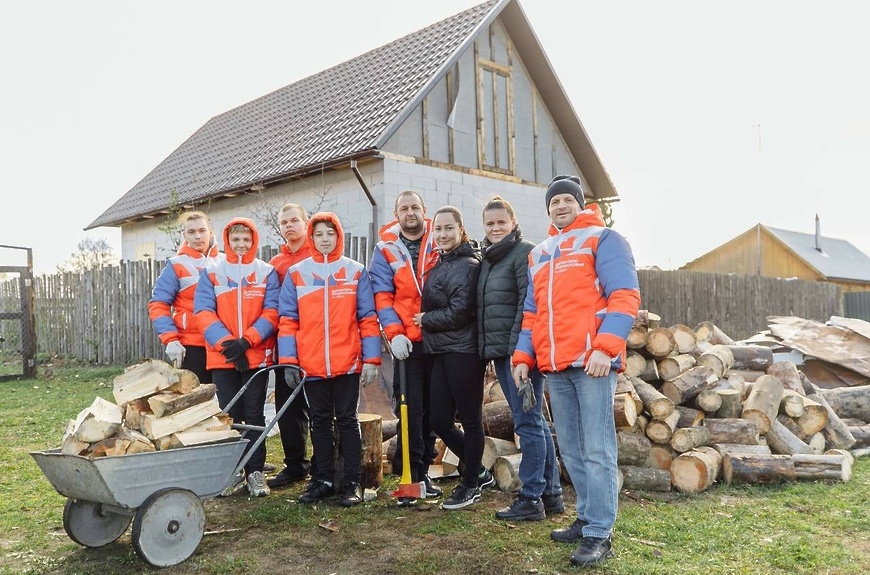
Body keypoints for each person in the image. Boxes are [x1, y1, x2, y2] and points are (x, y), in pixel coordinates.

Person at [512, 175, 640, 567]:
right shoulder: (541, 252)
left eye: (568, 199)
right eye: (554, 202)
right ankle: (586, 517)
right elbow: (533, 313)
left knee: (598, 448)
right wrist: (522, 357)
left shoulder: (603, 239)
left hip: (592, 364)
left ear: (581, 204)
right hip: (554, 365)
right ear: (548, 209)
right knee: (570, 446)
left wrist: (606, 347)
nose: (561, 206)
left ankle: (601, 533)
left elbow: (624, 295)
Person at [277, 212, 381, 507]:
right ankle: (321, 479)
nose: (325, 239)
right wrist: (289, 360)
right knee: (320, 422)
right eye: (319, 234)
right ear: (311, 238)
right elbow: (288, 320)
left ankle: (352, 482)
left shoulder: (355, 271)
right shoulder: (298, 273)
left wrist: (371, 360)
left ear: (339, 237)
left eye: (330, 234)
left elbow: (367, 318)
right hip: (310, 364)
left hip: (347, 361)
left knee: (347, 421)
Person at [476, 196, 563, 521]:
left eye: (501, 222)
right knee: (534, 423)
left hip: (522, 354)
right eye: (490, 223)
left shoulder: (524, 253)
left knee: (528, 423)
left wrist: (518, 354)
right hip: (503, 353)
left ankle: (530, 498)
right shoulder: (490, 259)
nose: (496, 227)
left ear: (512, 223)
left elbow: (527, 308)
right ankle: (551, 495)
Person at [194, 217, 280, 498]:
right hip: (223, 357)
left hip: (256, 355)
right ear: (227, 240)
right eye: (236, 239)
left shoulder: (266, 272)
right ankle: (232, 472)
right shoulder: (212, 271)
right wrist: (229, 344)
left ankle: (254, 472)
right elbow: (203, 312)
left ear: (254, 240)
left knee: (255, 414)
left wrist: (247, 342)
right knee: (230, 415)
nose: (241, 244)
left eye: (246, 239)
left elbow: (272, 312)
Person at [368, 190, 442, 505]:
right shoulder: (385, 248)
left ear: (423, 211)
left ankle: (424, 473)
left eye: (414, 207)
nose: (409, 213)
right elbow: (382, 295)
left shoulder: (439, 239)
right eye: (403, 208)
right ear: (396, 214)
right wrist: (394, 333)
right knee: (409, 410)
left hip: (440, 339)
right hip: (407, 344)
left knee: (435, 409)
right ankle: (410, 479)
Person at [414, 205, 490, 510]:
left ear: (461, 230)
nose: (443, 234)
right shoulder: (443, 262)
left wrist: (425, 320)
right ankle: (479, 470)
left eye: (449, 228)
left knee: (471, 419)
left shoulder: (467, 264)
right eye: (439, 229)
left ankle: (471, 482)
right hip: (443, 351)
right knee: (440, 420)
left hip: (464, 351)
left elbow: (462, 311)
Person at [266, 203, 315, 490]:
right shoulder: (276, 264)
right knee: (289, 406)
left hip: (319, 342)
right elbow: (272, 306)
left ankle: (324, 464)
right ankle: (296, 465)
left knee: (321, 407)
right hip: (286, 344)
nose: (289, 226)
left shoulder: (319, 253)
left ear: (305, 222)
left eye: (294, 220)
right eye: (284, 222)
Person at [148, 210, 220, 383]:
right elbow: (158, 304)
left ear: (211, 232)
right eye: (191, 232)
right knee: (194, 403)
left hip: (221, 345)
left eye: (202, 231)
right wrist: (170, 339)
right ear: (184, 235)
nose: (197, 236)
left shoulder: (225, 262)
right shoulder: (177, 264)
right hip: (191, 346)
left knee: (224, 405)